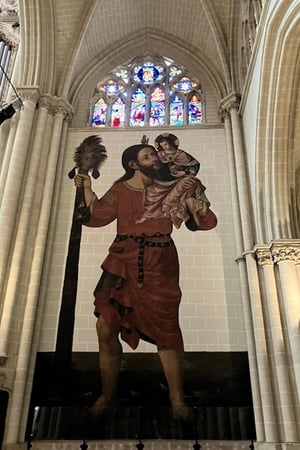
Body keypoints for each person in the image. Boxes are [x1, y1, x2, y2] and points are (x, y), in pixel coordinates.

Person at [74, 143, 217, 420]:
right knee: (105, 326)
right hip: (122, 258)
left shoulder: (172, 187)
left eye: (154, 154)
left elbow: (205, 222)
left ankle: (176, 400)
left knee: (167, 330)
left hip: (159, 260)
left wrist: (195, 198)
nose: (156, 158)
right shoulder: (121, 190)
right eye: (148, 156)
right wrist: (87, 188)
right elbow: (95, 217)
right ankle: (108, 395)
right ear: (133, 165)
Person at [136, 133, 211, 228]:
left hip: (177, 180)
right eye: (162, 146)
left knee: (193, 182)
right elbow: (148, 157)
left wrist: (184, 173)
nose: (165, 147)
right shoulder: (159, 154)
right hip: (161, 181)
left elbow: (195, 165)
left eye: (166, 144)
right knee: (150, 197)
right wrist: (144, 146)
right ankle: (152, 214)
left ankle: (196, 210)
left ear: (171, 144)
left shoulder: (181, 154)